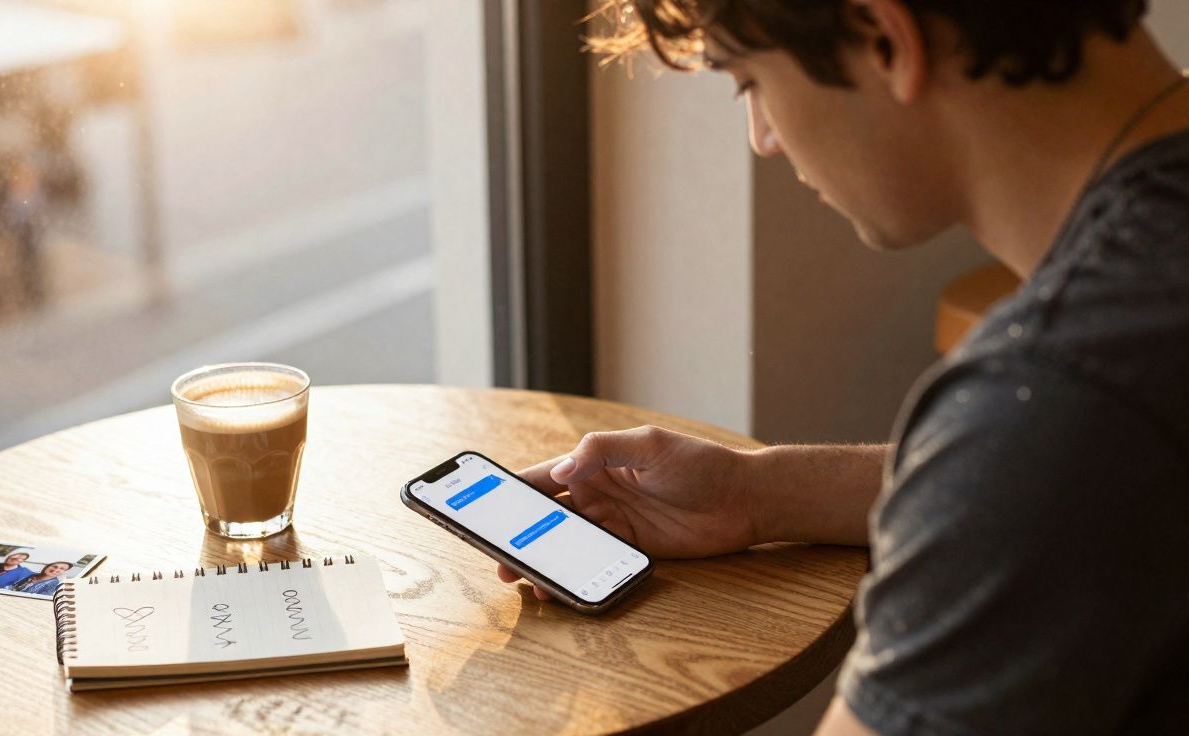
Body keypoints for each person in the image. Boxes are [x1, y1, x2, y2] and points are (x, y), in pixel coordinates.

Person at [498, 1, 1189, 733]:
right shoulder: (1107, 383)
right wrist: (754, 493)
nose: (763, 138)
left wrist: (975, 474)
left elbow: (1055, 456)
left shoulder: (1062, 399)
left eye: (749, 83)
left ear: (884, 39)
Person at [5, 561, 72, 596]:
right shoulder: (31, 575)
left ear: (64, 572)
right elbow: (14, 587)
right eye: (54, 566)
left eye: (62, 569)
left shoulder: (53, 585)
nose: (56, 570)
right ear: (46, 566)